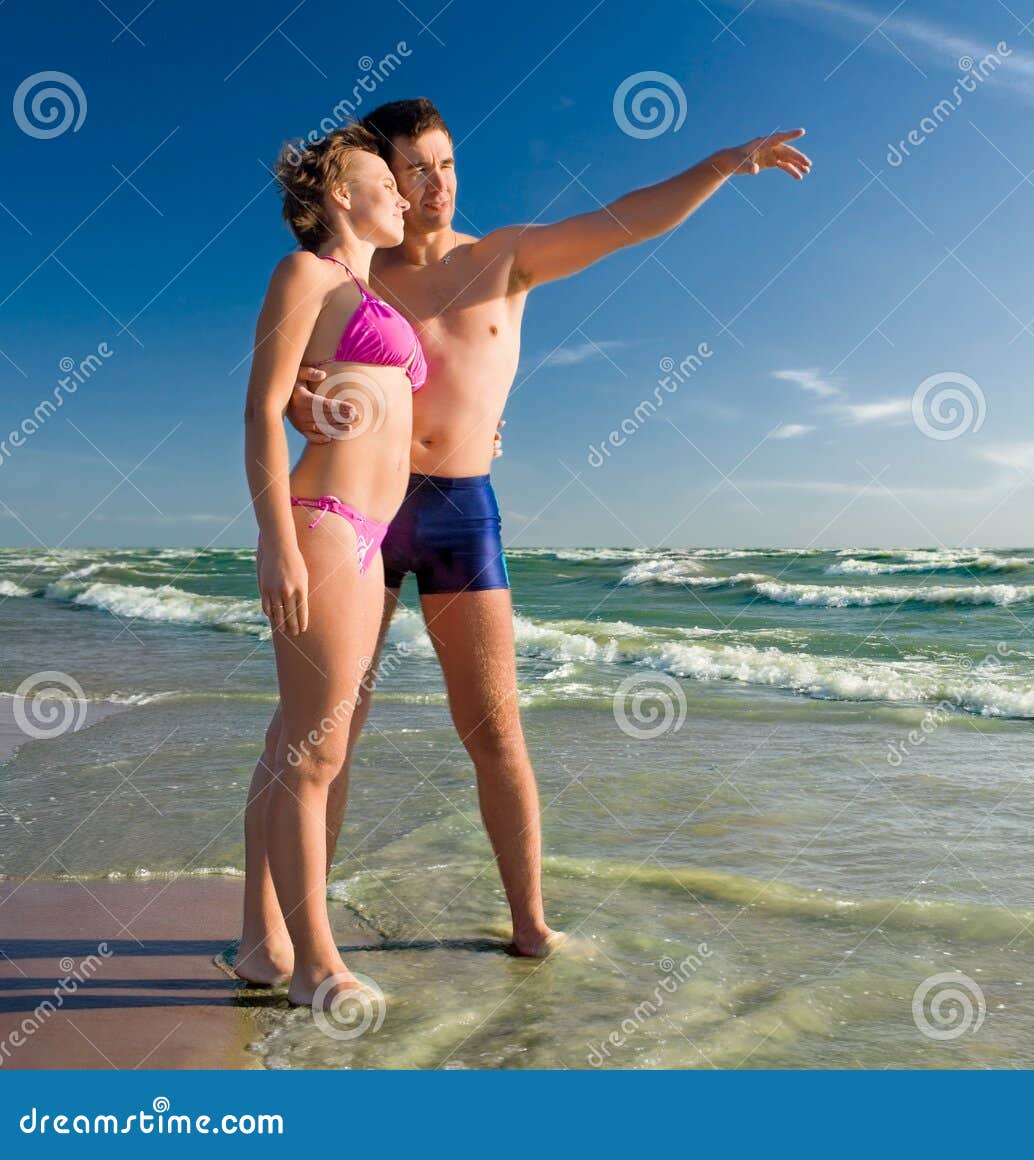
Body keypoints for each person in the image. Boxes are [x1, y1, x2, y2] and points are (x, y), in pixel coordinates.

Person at [266, 97, 811, 970]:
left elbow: (624, 222)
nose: (434, 184)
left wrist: (718, 164)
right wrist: (302, 400)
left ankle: (530, 922)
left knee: (492, 727)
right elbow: (289, 383)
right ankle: (294, 936)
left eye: (446, 164)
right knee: (331, 734)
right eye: (415, 168)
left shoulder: (504, 258)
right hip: (362, 508)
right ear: (383, 181)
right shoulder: (354, 278)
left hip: (459, 510)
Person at [239, 125, 432, 1006]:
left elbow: (372, 402)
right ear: (338, 197)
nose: (400, 193)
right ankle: (318, 965)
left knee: (293, 742)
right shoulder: (306, 275)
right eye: (382, 180)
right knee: (315, 753)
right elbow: (261, 410)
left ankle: (260, 945)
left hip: (368, 530)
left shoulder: (365, 288)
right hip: (322, 524)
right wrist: (277, 539)